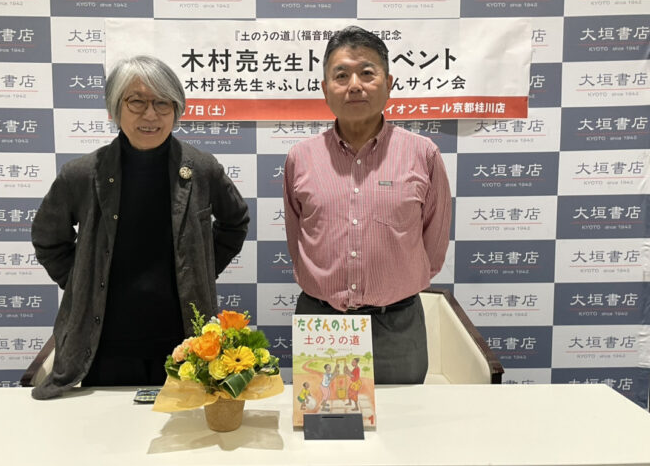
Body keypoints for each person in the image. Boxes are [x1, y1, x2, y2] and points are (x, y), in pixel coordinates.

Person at [31, 55, 249, 399]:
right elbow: (48, 239)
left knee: (183, 429)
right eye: (137, 102)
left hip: (185, 344)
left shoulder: (202, 169)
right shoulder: (82, 174)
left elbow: (235, 222)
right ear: (115, 107)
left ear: (177, 109)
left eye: (163, 103)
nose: (151, 115)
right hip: (103, 344)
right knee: (106, 428)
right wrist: (83, 282)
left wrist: (201, 271)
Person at [283, 26, 452, 384]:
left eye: (367, 73)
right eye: (341, 75)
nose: (354, 85)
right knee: (324, 417)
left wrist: (395, 283)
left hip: (397, 324)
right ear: (325, 88)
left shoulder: (423, 154)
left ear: (388, 84)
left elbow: (433, 243)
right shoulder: (301, 157)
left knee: (404, 416)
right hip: (323, 324)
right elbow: (298, 237)